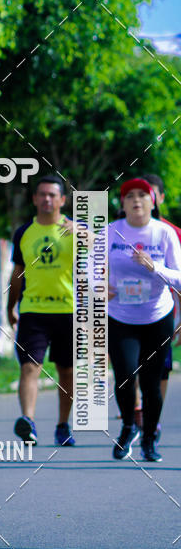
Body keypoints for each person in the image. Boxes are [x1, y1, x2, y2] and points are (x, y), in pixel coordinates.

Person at [107, 178, 181, 462]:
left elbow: (179, 277)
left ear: (154, 201)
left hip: (156, 317)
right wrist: (98, 286)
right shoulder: (110, 232)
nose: (136, 200)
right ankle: (129, 427)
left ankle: (149, 439)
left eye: (142, 195)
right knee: (125, 376)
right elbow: (87, 268)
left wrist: (155, 267)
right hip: (120, 317)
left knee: (152, 383)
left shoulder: (164, 233)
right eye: (130, 196)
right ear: (122, 204)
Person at [7, 176, 75, 447]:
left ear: (62, 200)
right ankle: (28, 422)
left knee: (67, 372)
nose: (47, 199)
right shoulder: (24, 232)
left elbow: (101, 255)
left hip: (68, 311)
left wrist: (83, 233)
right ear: (35, 199)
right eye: (42, 194)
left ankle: (62, 425)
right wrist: (10, 306)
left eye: (52, 195)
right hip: (33, 311)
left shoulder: (75, 229)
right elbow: (18, 272)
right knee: (29, 367)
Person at [143, 174, 181, 409]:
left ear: (161, 197)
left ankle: (151, 419)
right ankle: (135, 412)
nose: (144, 200)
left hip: (163, 313)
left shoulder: (173, 233)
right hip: (126, 312)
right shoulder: (120, 231)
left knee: (160, 368)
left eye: (150, 195)